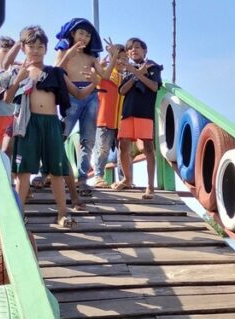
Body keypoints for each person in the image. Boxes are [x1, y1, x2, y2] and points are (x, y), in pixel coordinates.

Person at [0, 25, 100, 228]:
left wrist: (95, 83)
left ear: (46, 49)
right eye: (31, 46)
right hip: (28, 124)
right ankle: (19, 215)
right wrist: (18, 81)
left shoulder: (55, 72)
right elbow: (7, 98)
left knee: (56, 171)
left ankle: (62, 214)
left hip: (52, 124)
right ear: (24, 48)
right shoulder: (20, 71)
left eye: (40, 46)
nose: (35, 50)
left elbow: (79, 94)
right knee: (23, 172)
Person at [54, 18, 116, 192]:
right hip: (71, 95)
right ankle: (49, 173)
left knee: (88, 139)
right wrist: (69, 53)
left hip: (91, 96)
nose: (85, 37)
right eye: (81, 33)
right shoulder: (64, 49)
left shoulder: (92, 56)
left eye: (88, 35)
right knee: (61, 135)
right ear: (73, 33)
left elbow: (104, 75)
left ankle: (82, 178)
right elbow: (56, 68)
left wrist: (114, 56)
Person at [116, 37, 162, 198]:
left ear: (145, 50)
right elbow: (122, 90)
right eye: (130, 49)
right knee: (123, 146)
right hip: (128, 111)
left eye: (137, 47)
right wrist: (136, 73)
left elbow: (154, 86)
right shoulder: (126, 69)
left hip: (145, 112)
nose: (133, 50)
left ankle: (150, 186)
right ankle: (127, 179)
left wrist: (138, 72)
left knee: (148, 148)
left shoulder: (152, 66)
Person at [93, 43, 127, 188]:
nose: (120, 61)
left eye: (124, 58)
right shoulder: (105, 74)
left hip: (122, 121)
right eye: (117, 57)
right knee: (103, 149)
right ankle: (98, 176)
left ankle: (123, 178)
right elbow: (94, 79)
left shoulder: (128, 77)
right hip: (105, 119)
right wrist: (98, 67)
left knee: (124, 151)